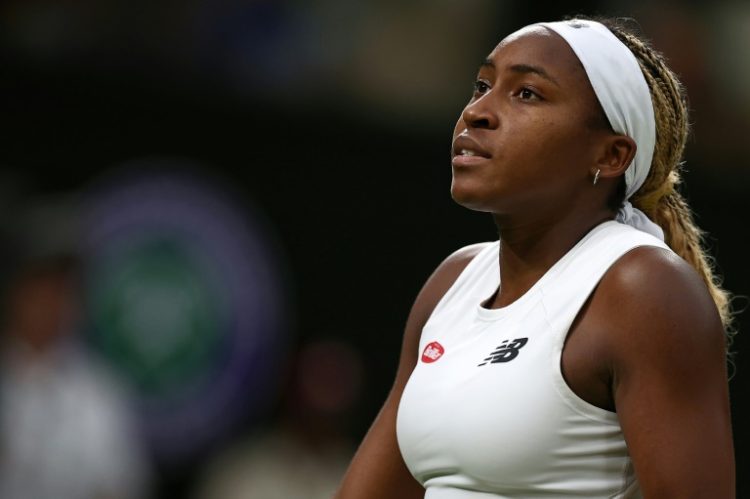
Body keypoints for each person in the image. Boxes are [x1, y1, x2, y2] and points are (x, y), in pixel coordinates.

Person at [335, 16, 735, 498]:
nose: (477, 112)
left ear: (610, 155)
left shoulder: (643, 289)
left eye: (527, 93)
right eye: (482, 85)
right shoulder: (454, 281)